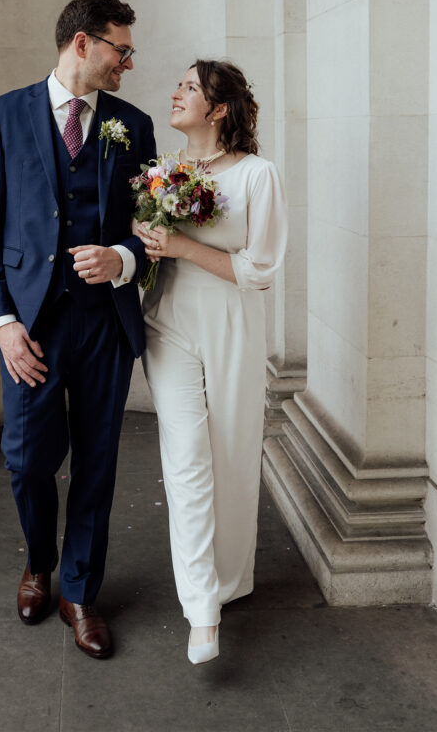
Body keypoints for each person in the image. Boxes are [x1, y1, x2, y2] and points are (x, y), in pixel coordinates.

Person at [0, 0, 156, 660]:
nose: (127, 64)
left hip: (104, 323)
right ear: (82, 43)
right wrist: (3, 323)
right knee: (27, 462)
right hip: (33, 325)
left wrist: (121, 259)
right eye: (120, 50)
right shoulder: (7, 113)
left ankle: (79, 592)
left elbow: (151, 228)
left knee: (97, 462)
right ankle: (38, 563)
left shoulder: (132, 125)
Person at [134, 60, 287, 664]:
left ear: (219, 109)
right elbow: (148, 245)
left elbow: (261, 270)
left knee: (231, 453)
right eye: (180, 85)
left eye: (190, 87)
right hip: (167, 324)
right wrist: (144, 239)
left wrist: (181, 245)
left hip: (231, 326)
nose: (176, 93)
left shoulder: (257, 175)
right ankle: (201, 608)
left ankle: (228, 581)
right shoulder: (161, 172)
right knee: (187, 459)